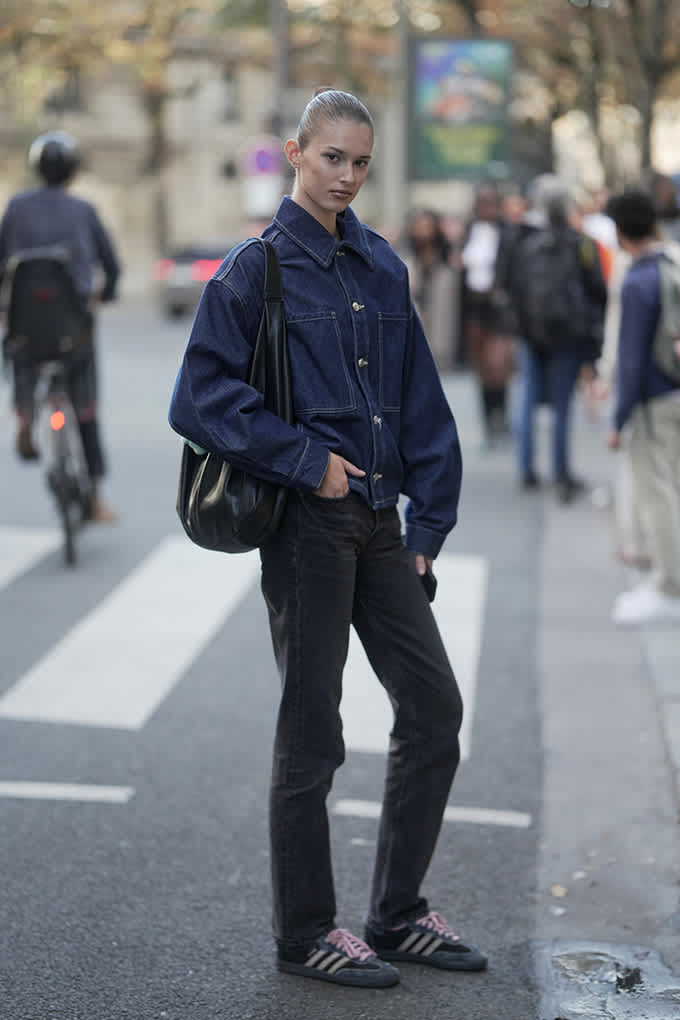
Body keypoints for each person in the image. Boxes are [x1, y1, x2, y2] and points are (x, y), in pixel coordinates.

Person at [169, 88, 487, 988]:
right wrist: (308, 461)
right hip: (307, 527)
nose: (346, 176)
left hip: (381, 525)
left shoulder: (382, 265)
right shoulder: (253, 271)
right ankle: (306, 931)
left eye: (360, 162)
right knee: (313, 736)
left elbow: (420, 398)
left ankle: (397, 914)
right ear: (297, 154)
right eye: (332, 157)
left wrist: (429, 522)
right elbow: (199, 398)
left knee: (434, 712)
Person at [0, 129, 120, 522]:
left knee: (19, 347)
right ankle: (96, 499)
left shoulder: (16, 207)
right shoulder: (83, 210)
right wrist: (107, 293)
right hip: (73, 328)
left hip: (26, 325)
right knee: (85, 405)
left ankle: (24, 412)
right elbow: (111, 264)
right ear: (73, 172)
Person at [502, 174, 607, 503]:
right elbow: (597, 290)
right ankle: (561, 472)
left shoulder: (521, 241)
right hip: (567, 334)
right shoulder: (581, 242)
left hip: (529, 331)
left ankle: (526, 468)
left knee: (527, 397)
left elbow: (508, 285)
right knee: (562, 405)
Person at [605, 189, 680, 625]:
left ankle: (669, 586)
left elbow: (631, 360)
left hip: (654, 401)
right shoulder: (670, 265)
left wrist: (618, 421)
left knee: (658, 496)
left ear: (620, 231)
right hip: (676, 390)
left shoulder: (637, 281)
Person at [461, 184, 514, 443]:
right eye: (482, 203)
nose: (487, 208)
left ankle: (500, 412)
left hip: (498, 306)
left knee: (498, 363)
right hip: (474, 306)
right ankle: (488, 416)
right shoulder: (469, 231)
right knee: (481, 365)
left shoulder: (506, 233)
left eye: (491, 203)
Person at [401, 207, 459, 373]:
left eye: (427, 226)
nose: (423, 231)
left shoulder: (448, 258)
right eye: (419, 226)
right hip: (413, 318)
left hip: (441, 322)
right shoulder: (404, 256)